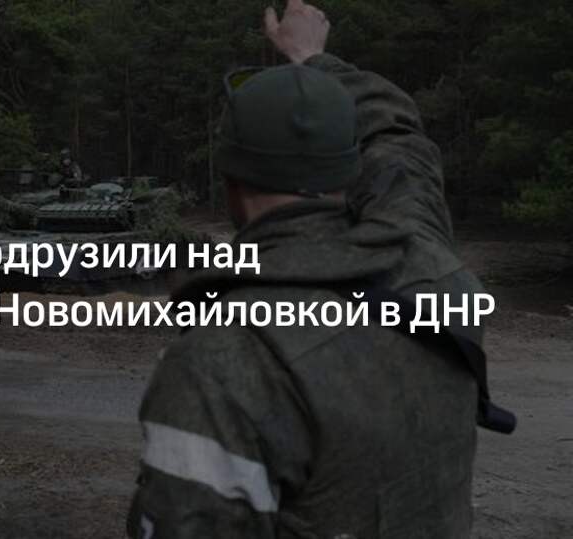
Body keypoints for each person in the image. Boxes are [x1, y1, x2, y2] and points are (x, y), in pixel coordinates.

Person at [126, 1, 512, 537]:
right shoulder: (429, 260)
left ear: (230, 182)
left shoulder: (224, 356)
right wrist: (312, 58)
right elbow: (400, 142)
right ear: (351, 164)